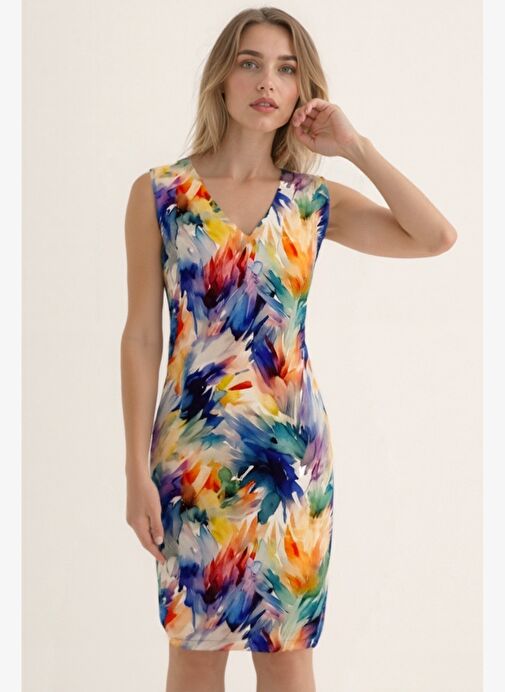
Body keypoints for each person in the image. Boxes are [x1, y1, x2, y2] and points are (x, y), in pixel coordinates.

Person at [121, 7, 457, 692]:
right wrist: (134, 470)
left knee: (287, 654)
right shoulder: (161, 193)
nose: (266, 82)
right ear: (222, 77)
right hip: (192, 459)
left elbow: (435, 237)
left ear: (303, 90)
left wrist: (354, 146)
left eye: (285, 68)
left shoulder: (311, 201)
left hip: (292, 460)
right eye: (249, 63)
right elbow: (141, 335)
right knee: (193, 655)